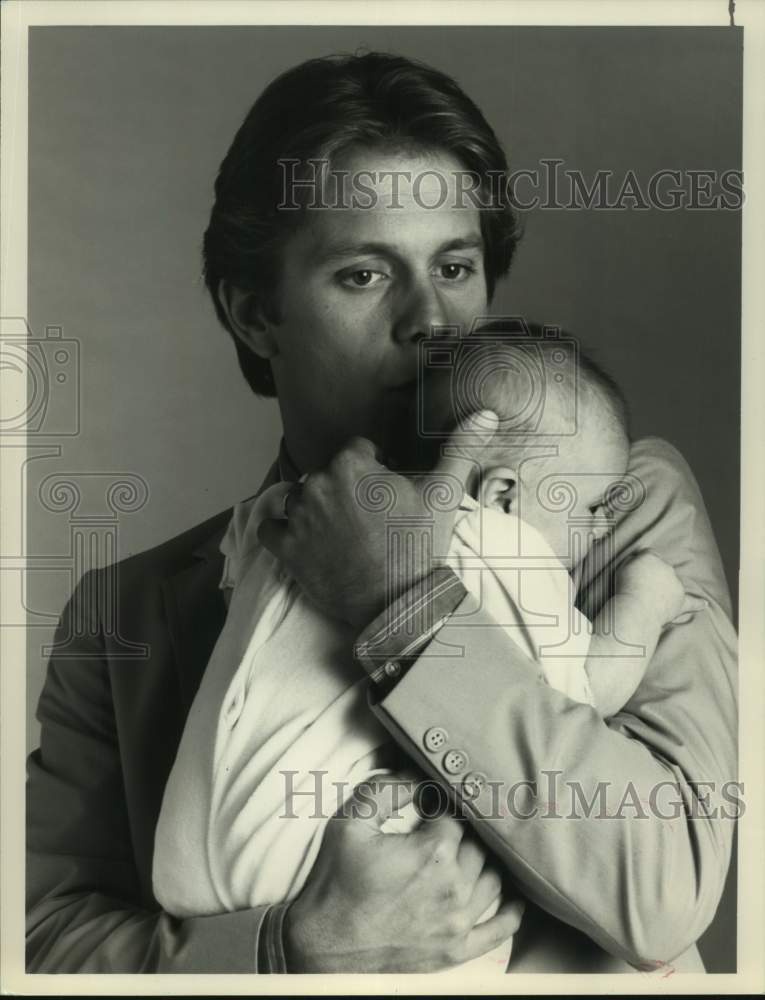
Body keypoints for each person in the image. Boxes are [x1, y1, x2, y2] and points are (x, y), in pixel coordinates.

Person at [26, 52, 738, 974]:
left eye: (455, 264)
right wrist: (283, 952)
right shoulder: (123, 610)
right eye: (363, 275)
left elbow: (665, 888)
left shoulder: (611, 504)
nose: (432, 321)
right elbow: (40, 941)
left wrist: (401, 599)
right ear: (254, 315)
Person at [149, 335, 711, 975]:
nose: (599, 529)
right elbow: (584, 693)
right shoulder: (504, 548)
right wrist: (649, 597)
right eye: (585, 508)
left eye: (455, 269)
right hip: (324, 876)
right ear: (503, 496)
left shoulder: (279, 522)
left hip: (188, 871)